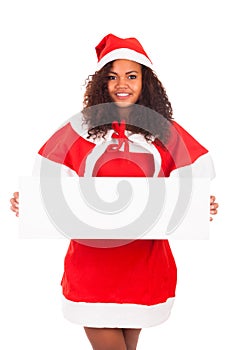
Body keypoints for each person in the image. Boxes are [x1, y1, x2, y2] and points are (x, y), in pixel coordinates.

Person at [10, 34, 219, 350]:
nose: (122, 84)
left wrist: (199, 204)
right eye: (112, 76)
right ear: (101, 83)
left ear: (145, 82)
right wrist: (31, 202)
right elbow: (50, 178)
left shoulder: (163, 130)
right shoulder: (80, 129)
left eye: (131, 76)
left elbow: (193, 173)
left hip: (144, 265)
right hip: (92, 265)